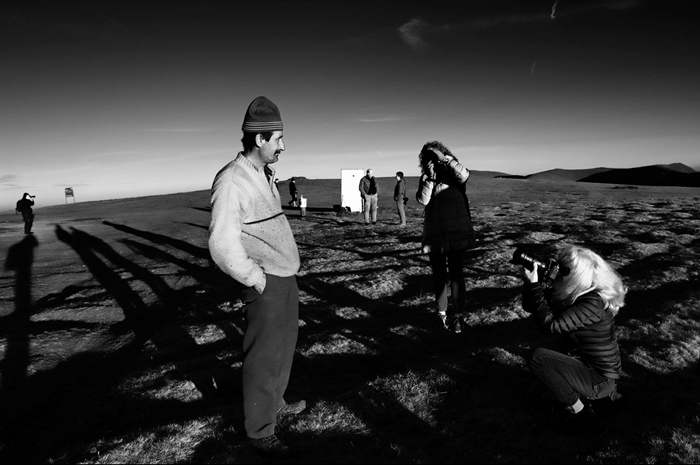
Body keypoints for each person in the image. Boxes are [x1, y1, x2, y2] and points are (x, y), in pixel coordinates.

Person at [208, 96, 305, 457]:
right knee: (263, 355)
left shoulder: (264, 175)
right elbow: (222, 243)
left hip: (285, 277)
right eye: (277, 139)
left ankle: (275, 403)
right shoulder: (232, 181)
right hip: (265, 282)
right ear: (259, 138)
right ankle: (260, 431)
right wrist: (255, 278)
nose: (283, 146)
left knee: (284, 348)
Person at [521, 244, 627, 435]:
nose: (558, 274)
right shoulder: (577, 294)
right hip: (582, 365)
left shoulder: (593, 302)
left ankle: (581, 413)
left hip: (599, 377)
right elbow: (531, 306)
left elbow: (550, 325)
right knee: (534, 396)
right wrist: (532, 284)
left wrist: (535, 287)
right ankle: (595, 399)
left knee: (538, 358)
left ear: (577, 276)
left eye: (563, 271)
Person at [416, 141, 475, 333]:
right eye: (427, 159)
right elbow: (423, 200)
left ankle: (458, 316)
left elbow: (464, 174)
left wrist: (445, 159)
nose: (431, 162)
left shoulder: (454, 173)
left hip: (455, 232)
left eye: (433, 158)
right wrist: (430, 179)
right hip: (435, 234)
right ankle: (441, 314)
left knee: (456, 274)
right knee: (439, 276)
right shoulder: (427, 177)